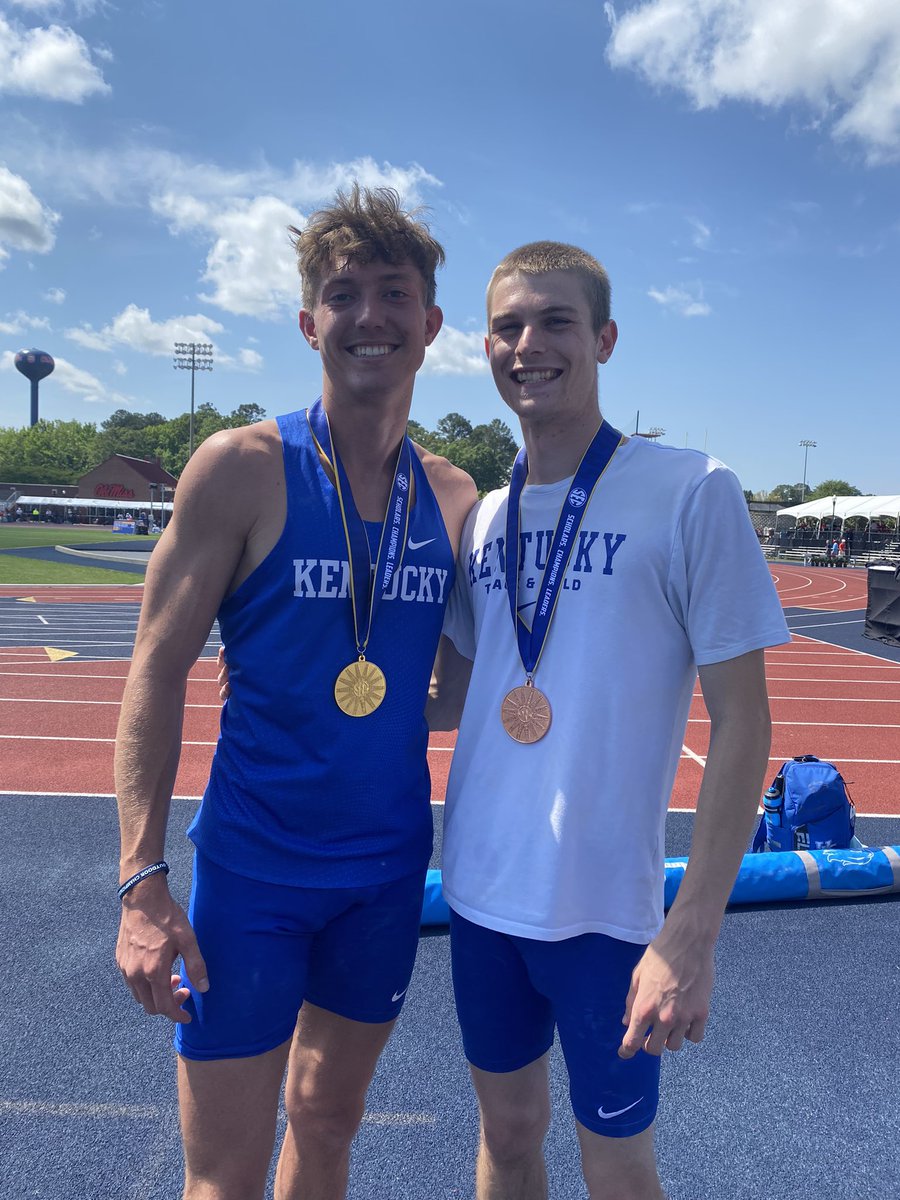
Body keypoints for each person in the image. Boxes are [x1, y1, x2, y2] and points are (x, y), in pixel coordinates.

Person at [114, 186, 475, 1200]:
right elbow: (154, 670)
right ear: (309, 321)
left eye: (393, 293)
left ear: (430, 323)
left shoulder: (452, 497)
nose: (369, 316)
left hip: (384, 877)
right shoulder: (241, 468)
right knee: (223, 1174)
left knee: (327, 1126)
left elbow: (452, 691)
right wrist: (141, 882)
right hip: (254, 876)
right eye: (342, 294)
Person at [429, 242, 791, 1199]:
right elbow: (453, 699)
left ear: (605, 339)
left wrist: (691, 933)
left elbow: (744, 724)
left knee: (619, 1167)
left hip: (606, 916)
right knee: (507, 1134)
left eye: (556, 321)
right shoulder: (486, 517)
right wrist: (303, 686)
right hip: (480, 894)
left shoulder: (690, 490)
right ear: (485, 346)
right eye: (508, 326)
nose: (529, 345)